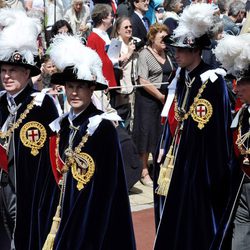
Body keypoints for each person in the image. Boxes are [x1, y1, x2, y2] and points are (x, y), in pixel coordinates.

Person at [39, 33, 136, 249]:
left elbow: (109, 186)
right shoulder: (61, 125)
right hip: (62, 212)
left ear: (92, 89)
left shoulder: (102, 127)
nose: (74, 92)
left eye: (80, 87)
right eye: (70, 86)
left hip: (90, 217)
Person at [154, 3, 238, 249]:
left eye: (181, 50)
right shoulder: (182, 78)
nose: (176, 55)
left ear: (196, 51)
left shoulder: (213, 80)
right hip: (181, 157)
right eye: (175, 50)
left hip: (202, 163)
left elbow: (217, 132)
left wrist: (214, 171)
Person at [0, 9, 58, 249]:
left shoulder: (42, 104)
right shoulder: (1, 102)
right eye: (3, 70)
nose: (7, 76)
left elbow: (53, 155)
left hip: (27, 191)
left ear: (27, 73)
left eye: (13, 70)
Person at [214, 33, 250, 250]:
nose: (236, 90)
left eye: (242, 84)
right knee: (240, 238)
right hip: (243, 186)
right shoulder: (242, 113)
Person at [132, 23, 176, 187]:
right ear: (152, 38)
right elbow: (142, 80)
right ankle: (143, 171)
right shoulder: (144, 54)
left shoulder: (168, 53)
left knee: (159, 133)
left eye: (166, 37)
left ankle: (157, 167)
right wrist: (160, 96)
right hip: (148, 100)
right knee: (146, 134)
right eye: (162, 38)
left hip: (164, 99)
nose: (165, 41)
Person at [110, 16, 139, 131]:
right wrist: (128, 53)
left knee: (133, 120)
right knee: (123, 122)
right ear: (118, 30)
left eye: (130, 27)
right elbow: (114, 67)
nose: (129, 29)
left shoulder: (134, 42)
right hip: (121, 90)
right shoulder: (115, 44)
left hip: (134, 88)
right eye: (125, 27)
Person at [87, 4, 117, 88]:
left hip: (110, 80)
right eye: (110, 15)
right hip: (103, 84)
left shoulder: (105, 35)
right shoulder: (93, 38)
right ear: (103, 18)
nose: (112, 18)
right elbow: (92, 64)